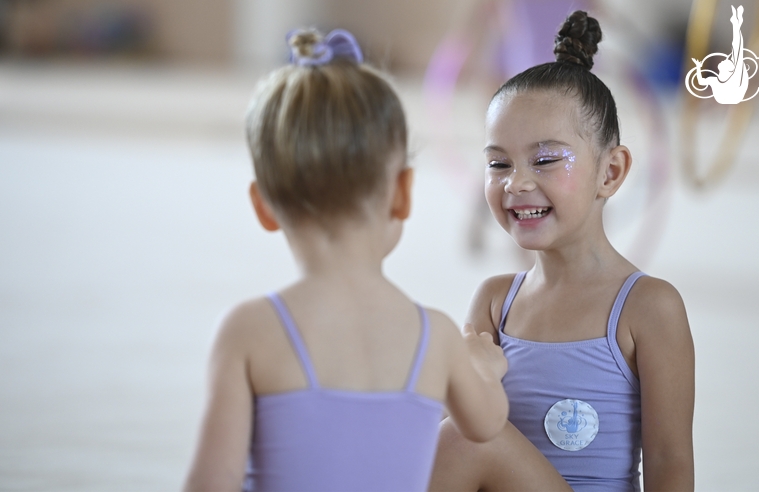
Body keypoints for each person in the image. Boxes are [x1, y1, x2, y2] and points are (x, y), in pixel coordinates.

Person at [182, 28, 513, 492]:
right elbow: (487, 422)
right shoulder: (436, 336)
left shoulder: (248, 331)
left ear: (263, 206)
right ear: (402, 194)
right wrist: (487, 367)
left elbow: (209, 485)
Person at [429, 11, 695, 492]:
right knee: (458, 435)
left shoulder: (649, 307)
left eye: (546, 159)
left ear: (610, 172)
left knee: (471, 440)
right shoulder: (495, 302)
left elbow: (670, 460)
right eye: (498, 163)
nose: (517, 182)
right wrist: (469, 380)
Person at [691, 5, 748, 104]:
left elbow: (737, 48)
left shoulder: (732, 80)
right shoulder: (716, 80)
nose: (722, 61)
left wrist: (736, 25)